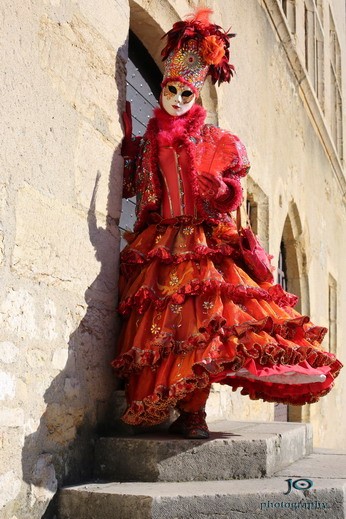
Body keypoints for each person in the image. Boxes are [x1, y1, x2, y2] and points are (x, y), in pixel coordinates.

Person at [112, 8, 342, 439]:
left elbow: (232, 194)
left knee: (205, 325)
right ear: (163, 89)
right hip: (162, 240)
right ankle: (165, 400)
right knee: (167, 325)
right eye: (173, 90)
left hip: (203, 240)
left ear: (197, 98)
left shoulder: (216, 141)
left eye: (187, 94)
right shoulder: (149, 142)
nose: (178, 99)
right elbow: (140, 188)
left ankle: (193, 413)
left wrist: (219, 188)